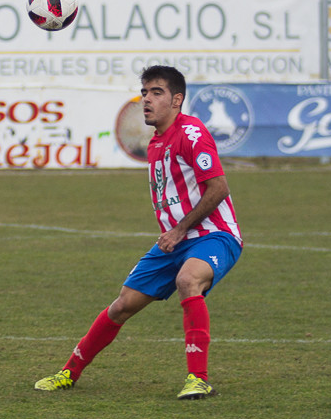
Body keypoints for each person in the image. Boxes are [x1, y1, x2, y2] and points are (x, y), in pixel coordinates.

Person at [34, 65, 243, 400]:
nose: (146, 99)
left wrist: (179, 229)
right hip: (174, 242)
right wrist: (174, 234)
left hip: (214, 235)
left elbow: (218, 187)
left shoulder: (192, 134)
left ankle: (198, 379)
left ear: (177, 100)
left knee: (188, 281)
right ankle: (68, 373)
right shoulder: (156, 143)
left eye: (156, 92)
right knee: (121, 305)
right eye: (144, 92)